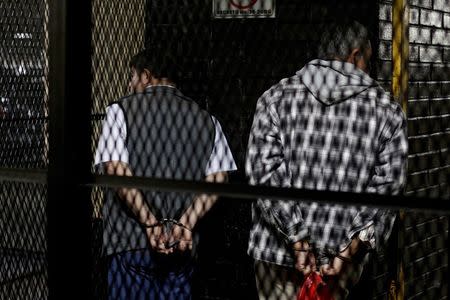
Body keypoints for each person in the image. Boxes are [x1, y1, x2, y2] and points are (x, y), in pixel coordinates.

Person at [246, 21, 408, 300]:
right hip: (337, 264)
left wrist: (298, 239)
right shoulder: (387, 112)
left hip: (276, 257)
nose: (366, 71)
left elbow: (265, 175)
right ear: (355, 55)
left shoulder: (273, 99)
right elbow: (387, 190)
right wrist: (350, 250)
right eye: (367, 62)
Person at [94, 49, 237, 300]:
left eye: (132, 77)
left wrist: (149, 221)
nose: (129, 84)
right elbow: (220, 176)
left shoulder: (120, 111)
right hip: (182, 247)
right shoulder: (208, 120)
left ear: (146, 76)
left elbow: (115, 169)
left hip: (131, 243)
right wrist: (186, 223)